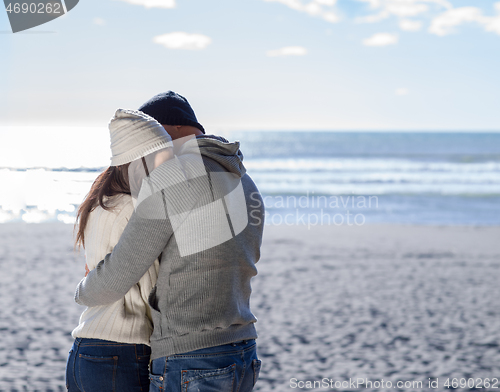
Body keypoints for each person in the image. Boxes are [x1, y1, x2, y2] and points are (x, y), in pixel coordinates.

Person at [74, 91, 265, 392]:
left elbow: (116, 276)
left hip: (191, 357)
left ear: (168, 130)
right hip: (244, 351)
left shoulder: (175, 177)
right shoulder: (244, 180)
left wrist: (82, 288)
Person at [66, 109, 174, 392]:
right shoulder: (134, 209)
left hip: (84, 350)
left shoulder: (100, 203)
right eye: (160, 156)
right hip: (121, 353)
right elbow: (153, 286)